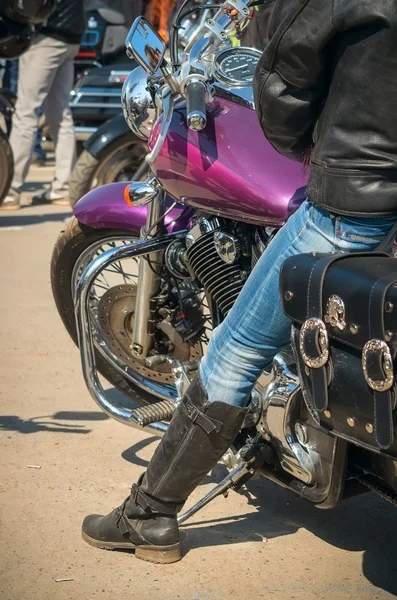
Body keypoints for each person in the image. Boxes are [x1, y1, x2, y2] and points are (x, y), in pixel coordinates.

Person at [81, 0, 397, 563]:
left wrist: (297, 140)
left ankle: (149, 514)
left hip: (356, 204)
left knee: (235, 349)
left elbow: (282, 81)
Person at [0, 0, 86, 211]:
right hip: (72, 33)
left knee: (25, 114)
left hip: (46, 33)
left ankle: (9, 190)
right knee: (60, 114)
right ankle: (63, 189)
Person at [3, 59, 47, 165]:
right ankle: (11, 150)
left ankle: (31, 150)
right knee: (10, 102)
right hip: (13, 50)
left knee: (28, 106)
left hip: (26, 49)